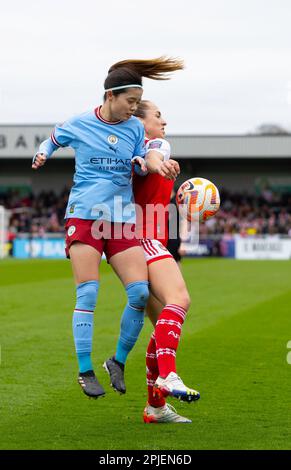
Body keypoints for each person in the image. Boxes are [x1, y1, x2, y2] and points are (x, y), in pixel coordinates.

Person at [32, 57, 182, 399]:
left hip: (122, 219)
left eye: (136, 103)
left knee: (140, 293)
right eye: (130, 101)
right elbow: (52, 139)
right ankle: (85, 370)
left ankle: (117, 360)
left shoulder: (133, 129)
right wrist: (43, 154)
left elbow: (147, 156)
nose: (133, 109)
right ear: (110, 95)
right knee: (88, 292)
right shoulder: (80, 122)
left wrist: (156, 165)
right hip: (85, 215)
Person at [105, 100, 200, 423]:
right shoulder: (154, 146)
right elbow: (152, 156)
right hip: (139, 239)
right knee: (180, 299)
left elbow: (144, 170)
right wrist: (153, 163)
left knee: (163, 329)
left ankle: (155, 407)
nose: (165, 121)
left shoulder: (134, 153)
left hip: (137, 241)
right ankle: (169, 377)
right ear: (139, 122)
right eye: (158, 116)